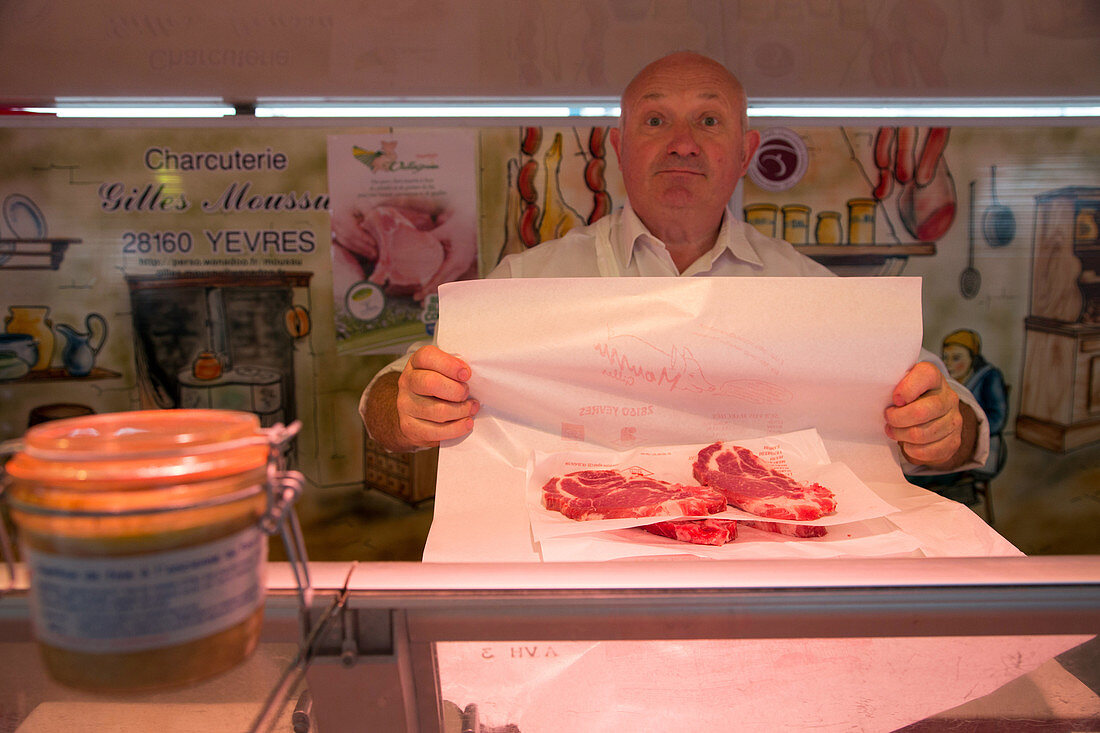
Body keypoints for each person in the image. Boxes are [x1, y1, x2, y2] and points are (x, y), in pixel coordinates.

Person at [360, 51, 986, 475]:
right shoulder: (530, 282)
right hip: (584, 581)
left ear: (744, 153)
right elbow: (384, 399)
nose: (683, 142)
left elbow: (956, 415)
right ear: (620, 146)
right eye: (656, 119)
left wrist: (942, 428)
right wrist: (409, 410)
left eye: (708, 120)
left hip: (759, 582)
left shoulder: (807, 291)